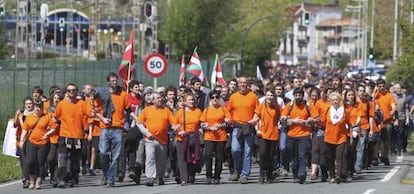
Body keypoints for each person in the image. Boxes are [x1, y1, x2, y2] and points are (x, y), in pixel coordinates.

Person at [94, 72, 137, 187]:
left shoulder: (123, 94)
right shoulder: (103, 94)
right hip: (105, 128)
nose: (114, 82)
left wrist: (138, 118)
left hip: (118, 128)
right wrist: (103, 119)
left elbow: (128, 110)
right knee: (103, 153)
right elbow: (95, 110)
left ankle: (110, 179)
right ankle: (106, 174)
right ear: (108, 82)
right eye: (112, 81)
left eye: (115, 80)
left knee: (116, 156)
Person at [136, 92, 174, 186]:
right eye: (157, 98)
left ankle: (160, 177)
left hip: (163, 140)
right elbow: (139, 123)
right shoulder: (147, 110)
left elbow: (173, 122)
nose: (160, 99)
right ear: (153, 101)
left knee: (161, 160)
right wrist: (146, 133)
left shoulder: (166, 110)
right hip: (150, 139)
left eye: (160, 97)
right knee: (150, 158)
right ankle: (150, 178)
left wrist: (175, 127)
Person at [227, 76, 259, 184]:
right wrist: (228, 119)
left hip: (248, 127)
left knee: (248, 152)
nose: (242, 85)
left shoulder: (253, 96)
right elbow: (227, 110)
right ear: (238, 84)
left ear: (248, 84)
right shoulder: (233, 97)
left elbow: (258, 111)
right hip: (237, 126)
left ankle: (244, 174)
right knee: (235, 149)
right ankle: (237, 169)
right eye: (241, 83)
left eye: (244, 83)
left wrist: (254, 120)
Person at [19, 101, 58, 189]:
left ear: (42, 108)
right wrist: (22, 141)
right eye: (36, 107)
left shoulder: (46, 117)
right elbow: (25, 129)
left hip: (43, 143)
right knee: (30, 161)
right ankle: (32, 179)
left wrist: (47, 134)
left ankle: (38, 181)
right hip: (31, 142)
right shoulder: (29, 117)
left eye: (39, 107)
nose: (37, 109)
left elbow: (54, 127)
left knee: (41, 163)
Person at [280, 87, 315, 184]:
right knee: (294, 157)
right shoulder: (289, 105)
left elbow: (316, 118)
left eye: (300, 95)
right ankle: (295, 173)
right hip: (291, 135)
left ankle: (302, 173)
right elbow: (283, 118)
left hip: (304, 134)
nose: (298, 97)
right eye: (296, 95)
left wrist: (308, 121)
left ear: (303, 96)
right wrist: (292, 121)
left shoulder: (308, 105)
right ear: (294, 96)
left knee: (302, 155)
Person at [200, 90, 232, 184]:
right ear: (210, 99)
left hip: (221, 136)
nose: (215, 99)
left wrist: (221, 125)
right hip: (209, 136)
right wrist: (208, 127)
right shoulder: (207, 110)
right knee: (208, 155)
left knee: (219, 157)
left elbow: (229, 122)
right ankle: (208, 175)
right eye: (213, 97)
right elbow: (202, 123)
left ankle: (217, 176)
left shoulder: (223, 109)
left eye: (217, 97)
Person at [249, 90, 281, 184]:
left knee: (271, 156)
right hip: (262, 133)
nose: (269, 97)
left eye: (271, 95)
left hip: (273, 133)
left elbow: (281, 118)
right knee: (262, 154)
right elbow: (256, 118)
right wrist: (256, 128)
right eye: (268, 95)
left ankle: (270, 174)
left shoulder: (277, 107)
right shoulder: (261, 106)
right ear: (265, 96)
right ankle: (262, 174)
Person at [173, 93, 203, 186]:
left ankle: (192, 174)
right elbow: (174, 125)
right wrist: (178, 130)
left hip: (194, 138)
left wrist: (203, 128)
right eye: (189, 100)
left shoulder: (198, 111)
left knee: (192, 158)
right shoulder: (180, 112)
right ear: (185, 102)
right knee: (182, 159)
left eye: (193, 100)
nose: (192, 102)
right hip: (182, 138)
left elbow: (201, 123)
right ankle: (184, 179)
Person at [323, 92, 352, 184]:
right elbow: (322, 121)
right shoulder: (327, 109)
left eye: (337, 100)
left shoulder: (344, 110)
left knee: (340, 157)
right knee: (330, 157)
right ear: (330, 101)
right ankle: (332, 175)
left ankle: (338, 176)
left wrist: (350, 136)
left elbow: (349, 123)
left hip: (341, 137)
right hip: (329, 137)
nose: (335, 101)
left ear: (340, 101)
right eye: (333, 100)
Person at [373, 79, 396, 165]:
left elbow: (393, 105)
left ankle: (385, 156)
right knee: (376, 140)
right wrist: (375, 91)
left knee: (385, 139)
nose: (381, 88)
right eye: (379, 86)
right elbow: (371, 101)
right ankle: (376, 157)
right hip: (377, 122)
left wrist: (392, 111)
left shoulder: (389, 96)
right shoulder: (376, 95)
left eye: (383, 86)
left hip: (387, 121)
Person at [14, 97, 34, 188]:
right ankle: (26, 179)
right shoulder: (21, 115)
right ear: (24, 105)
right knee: (23, 161)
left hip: (32, 140)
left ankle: (32, 177)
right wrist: (16, 116)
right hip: (22, 141)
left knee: (31, 161)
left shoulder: (35, 115)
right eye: (27, 104)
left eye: (30, 103)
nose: (29, 105)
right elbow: (15, 125)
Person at [46, 92, 64, 187]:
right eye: (55, 98)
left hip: (62, 136)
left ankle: (58, 177)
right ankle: (52, 174)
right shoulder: (49, 109)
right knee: (50, 158)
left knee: (60, 159)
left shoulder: (63, 109)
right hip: (52, 137)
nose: (56, 100)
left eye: (58, 98)